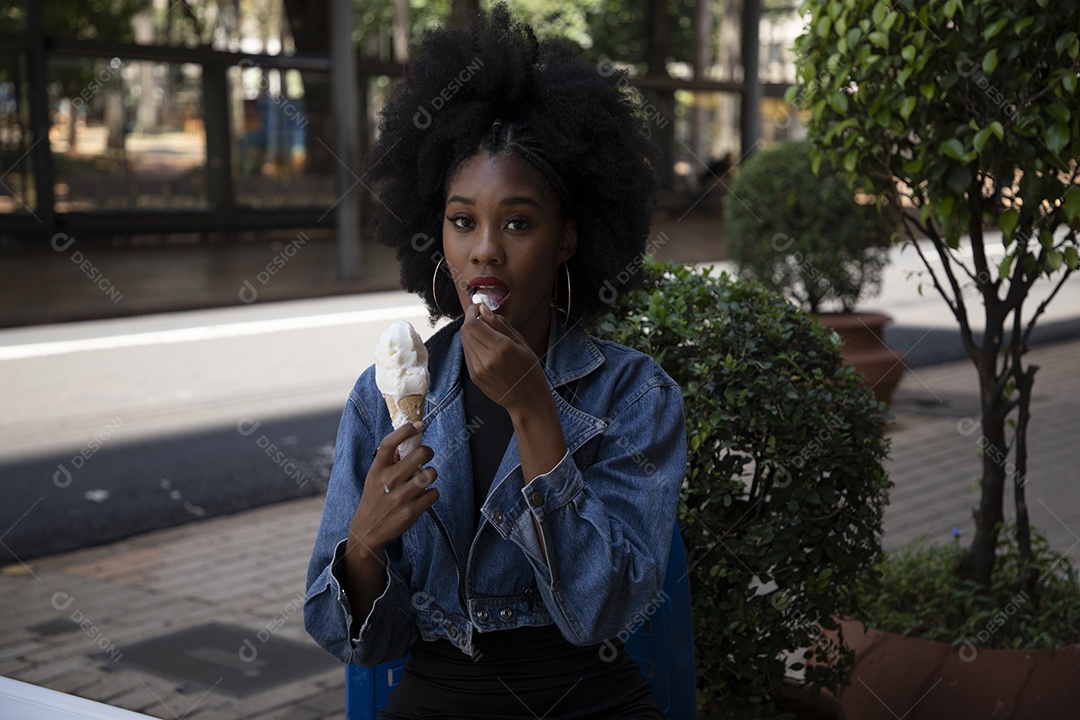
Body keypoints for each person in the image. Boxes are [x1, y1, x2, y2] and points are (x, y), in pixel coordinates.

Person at [304, 5, 687, 718]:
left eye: (517, 222)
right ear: (435, 231)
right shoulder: (380, 396)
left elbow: (601, 612)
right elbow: (351, 639)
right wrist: (362, 544)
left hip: (587, 699)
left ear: (569, 238)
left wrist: (534, 408)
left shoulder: (635, 395)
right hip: (440, 696)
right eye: (461, 220)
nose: (485, 249)